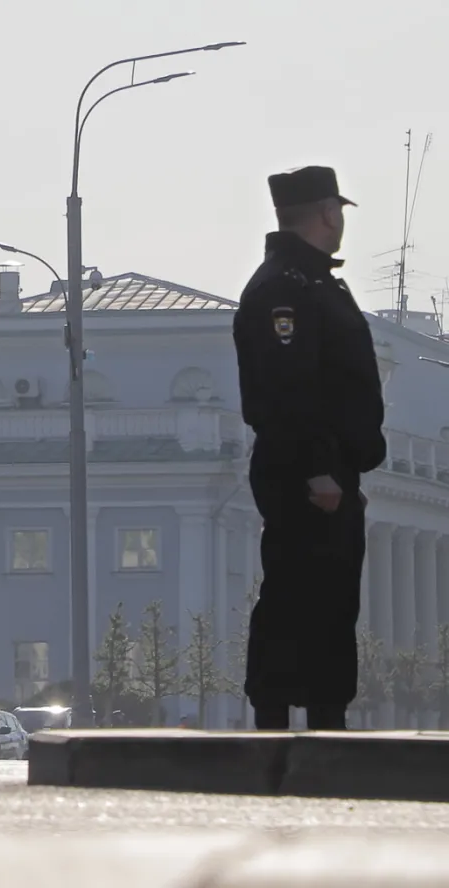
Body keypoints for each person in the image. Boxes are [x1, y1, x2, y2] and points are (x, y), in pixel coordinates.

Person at [232, 165, 387, 732]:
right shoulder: (284, 288)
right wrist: (320, 469)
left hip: (329, 467)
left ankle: (325, 714)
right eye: (338, 211)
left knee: (329, 596)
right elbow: (292, 386)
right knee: (299, 592)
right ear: (326, 212)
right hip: (304, 468)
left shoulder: (315, 282)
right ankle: (279, 718)